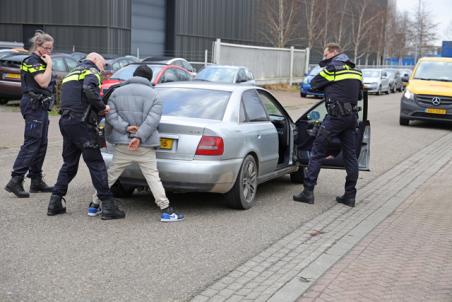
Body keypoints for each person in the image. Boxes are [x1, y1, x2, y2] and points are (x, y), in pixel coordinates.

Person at [89, 65, 184, 222]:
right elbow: (152, 120)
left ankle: (94, 205)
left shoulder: (117, 92)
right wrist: (139, 137)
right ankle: (166, 210)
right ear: (149, 78)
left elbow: (110, 116)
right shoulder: (154, 95)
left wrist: (125, 128)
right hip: (144, 145)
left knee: (111, 175)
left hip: (122, 143)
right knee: (152, 177)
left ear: (134, 75)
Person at [47, 53, 125, 220]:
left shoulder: (70, 74)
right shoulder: (92, 71)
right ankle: (108, 206)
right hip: (82, 124)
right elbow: (89, 89)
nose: (103, 69)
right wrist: (102, 107)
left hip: (66, 121)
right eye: (103, 65)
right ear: (95, 60)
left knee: (69, 164)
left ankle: (55, 202)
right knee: (96, 164)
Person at [293, 43, 363, 207]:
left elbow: (314, 84)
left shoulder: (332, 69)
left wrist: (329, 87)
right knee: (351, 157)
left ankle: (308, 192)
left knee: (317, 152)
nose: (324, 58)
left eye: (325, 55)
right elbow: (359, 95)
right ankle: (350, 196)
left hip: (335, 118)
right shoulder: (356, 71)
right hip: (351, 118)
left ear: (333, 53)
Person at [5, 31, 56, 198]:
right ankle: (15, 180)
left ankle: (36, 179)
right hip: (33, 105)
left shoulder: (42, 60)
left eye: (51, 49)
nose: (49, 52)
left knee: (42, 143)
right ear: (38, 46)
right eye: (46, 48)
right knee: (32, 143)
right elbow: (43, 81)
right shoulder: (31, 61)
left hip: (41, 106)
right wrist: (49, 65)